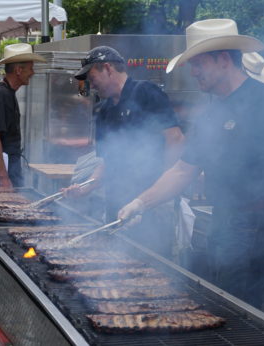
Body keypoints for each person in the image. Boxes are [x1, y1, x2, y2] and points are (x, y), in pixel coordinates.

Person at [118, 19, 264, 307]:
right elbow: (184, 169)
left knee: (240, 310)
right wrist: (141, 202)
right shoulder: (211, 112)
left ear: (222, 60)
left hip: (255, 227)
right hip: (223, 222)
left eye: (197, 64)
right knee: (220, 305)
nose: (193, 73)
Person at [61, 46, 185, 258]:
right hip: (117, 205)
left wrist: (158, 195)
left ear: (107, 68)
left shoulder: (146, 92)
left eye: (92, 77)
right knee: (116, 265)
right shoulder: (104, 110)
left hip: (150, 205)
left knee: (151, 269)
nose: (91, 85)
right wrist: (86, 187)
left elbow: (175, 139)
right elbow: (107, 163)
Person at [0, 43, 46, 188]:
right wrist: (4, 178)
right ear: (18, 70)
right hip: (4, 169)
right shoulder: (1, 94)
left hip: (9, 165)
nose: (33, 73)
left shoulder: (6, 92)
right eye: (30, 68)